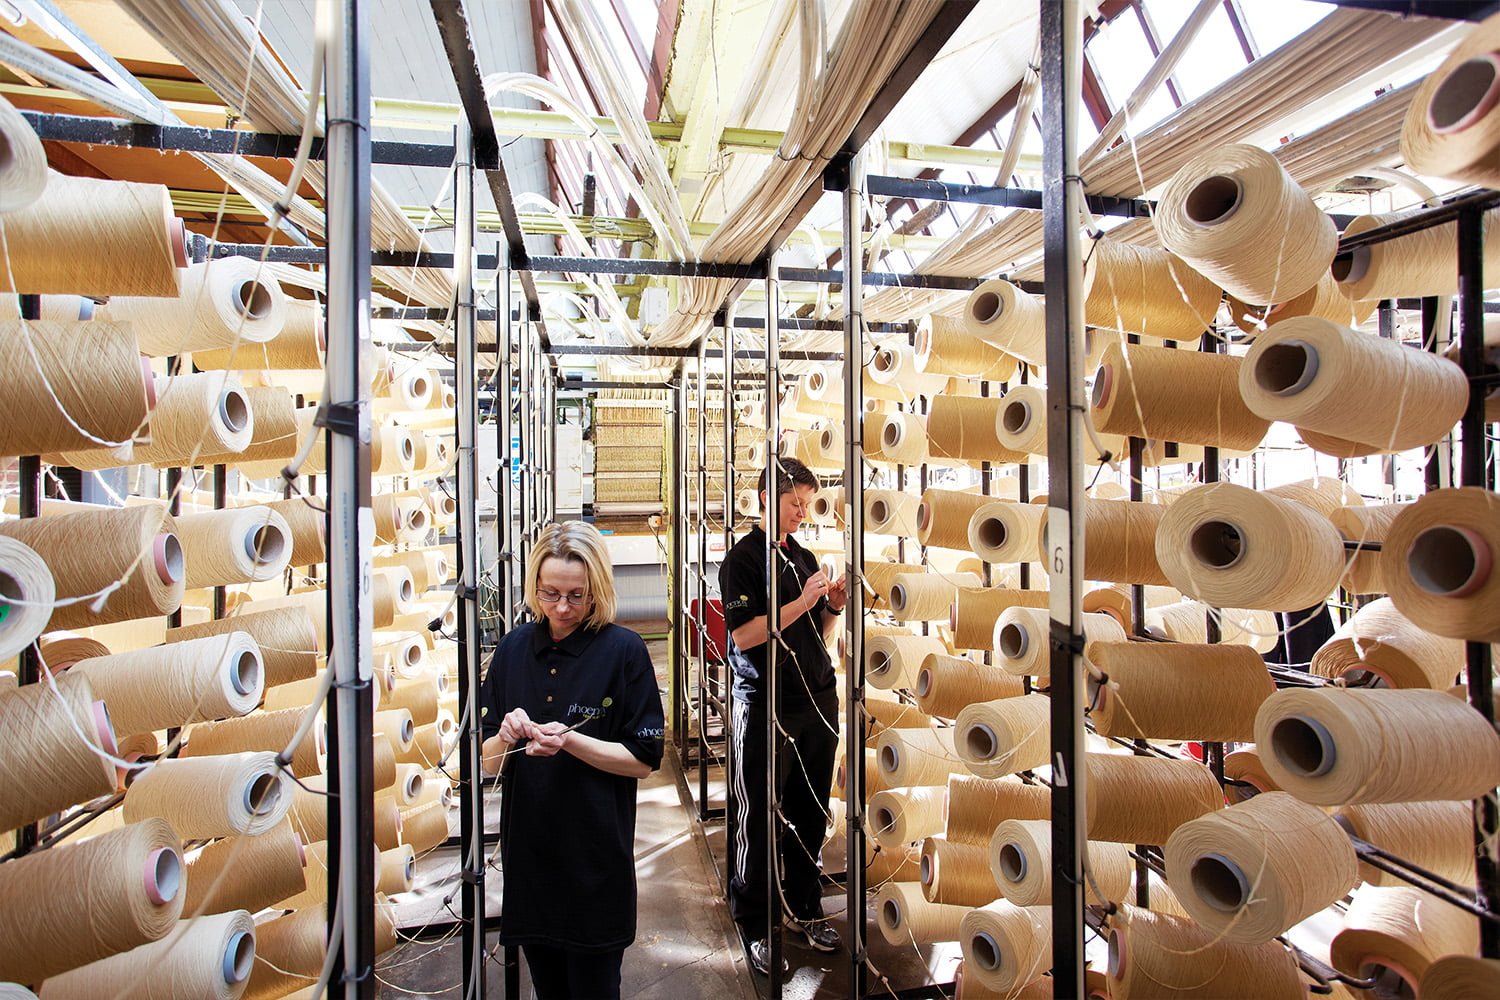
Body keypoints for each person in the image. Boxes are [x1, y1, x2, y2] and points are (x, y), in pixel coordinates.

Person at [480, 521, 665, 1000]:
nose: (561, 608)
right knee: (548, 989)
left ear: (597, 589)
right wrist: (504, 735)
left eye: (576, 596)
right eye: (550, 593)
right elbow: (484, 762)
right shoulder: (513, 649)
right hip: (532, 864)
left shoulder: (623, 652)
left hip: (595, 864)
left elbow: (644, 759)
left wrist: (572, 743)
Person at [719, 457, 847, 975]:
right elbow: (746, 634)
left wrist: (832, 607)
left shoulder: (805, 556)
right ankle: (754, 921)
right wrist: (802, 599)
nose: (802, 511)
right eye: (795, 502)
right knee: (759, 813)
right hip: (767, 704)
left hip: (816, 700)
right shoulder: (743, 561)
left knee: (809, 810)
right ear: (768, 497)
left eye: (807, 503)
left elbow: (821, 639)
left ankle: (804, 907)